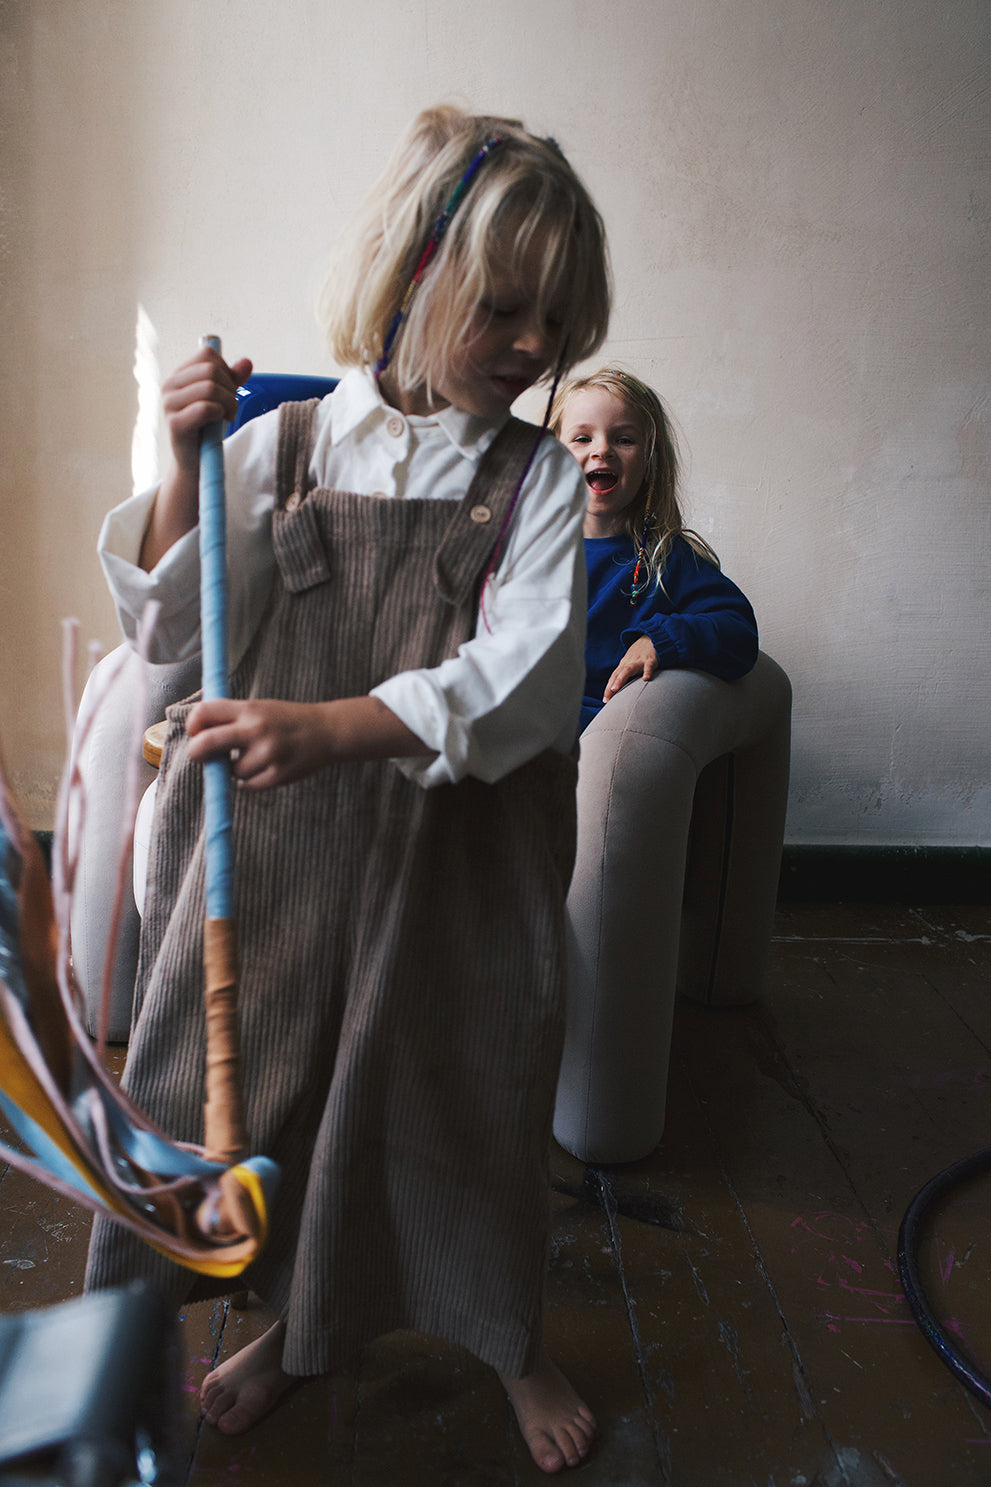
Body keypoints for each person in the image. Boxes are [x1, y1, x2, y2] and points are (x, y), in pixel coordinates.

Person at [85, 105, 610, 1474]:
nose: (535, 347)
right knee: (244, 1085)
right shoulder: (287, 446)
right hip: (281, 846)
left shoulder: (534, 477)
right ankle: (287, 1327)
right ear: (412, 278)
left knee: (457, 1081)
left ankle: (502, 1330)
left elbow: (524, 675)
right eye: (503, 307)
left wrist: (336, 723)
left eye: (556, 319)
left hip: (457, 848)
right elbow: (171, 637)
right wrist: (176, 471)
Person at [550, 367, 758, 732]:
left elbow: (738, 631)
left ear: (649, 460)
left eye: (624, 440)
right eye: (582, 438)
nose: (602, 450)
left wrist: (659, 640)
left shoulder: (670, 560)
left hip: (591, 732)